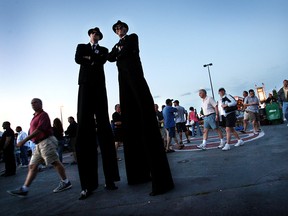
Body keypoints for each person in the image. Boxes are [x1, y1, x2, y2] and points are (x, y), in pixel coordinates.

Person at [107, 20, 174, 196]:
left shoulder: (132, 38)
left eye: (121, 28)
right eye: (116, 29)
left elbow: (125, 52)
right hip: (123, 83)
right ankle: (138, 174)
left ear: (126, 29)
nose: (119, 30)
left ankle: (159, 177)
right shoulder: (117, 44)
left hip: (135, 77)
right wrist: (117, 51)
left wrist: (118, 52)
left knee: (144, 116)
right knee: (131, 123)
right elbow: (110, 57)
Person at [75, 27, 120, 199]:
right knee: (84, 130)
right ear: (89, 35)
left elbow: (102, 60)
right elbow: (78, 59)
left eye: (97, 34)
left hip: (100, 88)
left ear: (100, 37)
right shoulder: (81, 47)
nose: (95, 35)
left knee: (104, 130)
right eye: (93, 33)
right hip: (85, 86)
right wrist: (91, 59)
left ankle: (110, 180)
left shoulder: (104, 50)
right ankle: (87, 185)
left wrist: (91, 59)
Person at [7, 98, 72, 197]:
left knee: (54, 161)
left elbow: (39, 130)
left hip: (46, 141)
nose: (33, 104)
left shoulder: (43, 115)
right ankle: (24, 189)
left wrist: (24, 141)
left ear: (41, 104)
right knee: (32, 166)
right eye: (31, 103)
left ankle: (66, 182)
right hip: (38, 144)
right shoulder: (34, 116)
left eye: (35, 102)